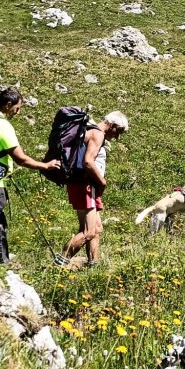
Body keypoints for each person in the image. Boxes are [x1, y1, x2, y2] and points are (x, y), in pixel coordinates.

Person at [0, 87, 60, 264]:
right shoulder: (1, 125)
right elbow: (21, 159)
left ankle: (1, 263)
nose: (18, 112)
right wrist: (46, 166)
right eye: (18, 107)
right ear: (8, 104)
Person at [56, 111, 129, 268]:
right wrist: (102, 182)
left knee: (96, 228)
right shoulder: (98, 134)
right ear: (113, 126)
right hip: (85, 185)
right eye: (119, 132)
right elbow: (88, 162)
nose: (117, 137)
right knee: (88, 231)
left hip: (82, 184)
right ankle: (59, 265)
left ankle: (94, 265)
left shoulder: (90, 130)